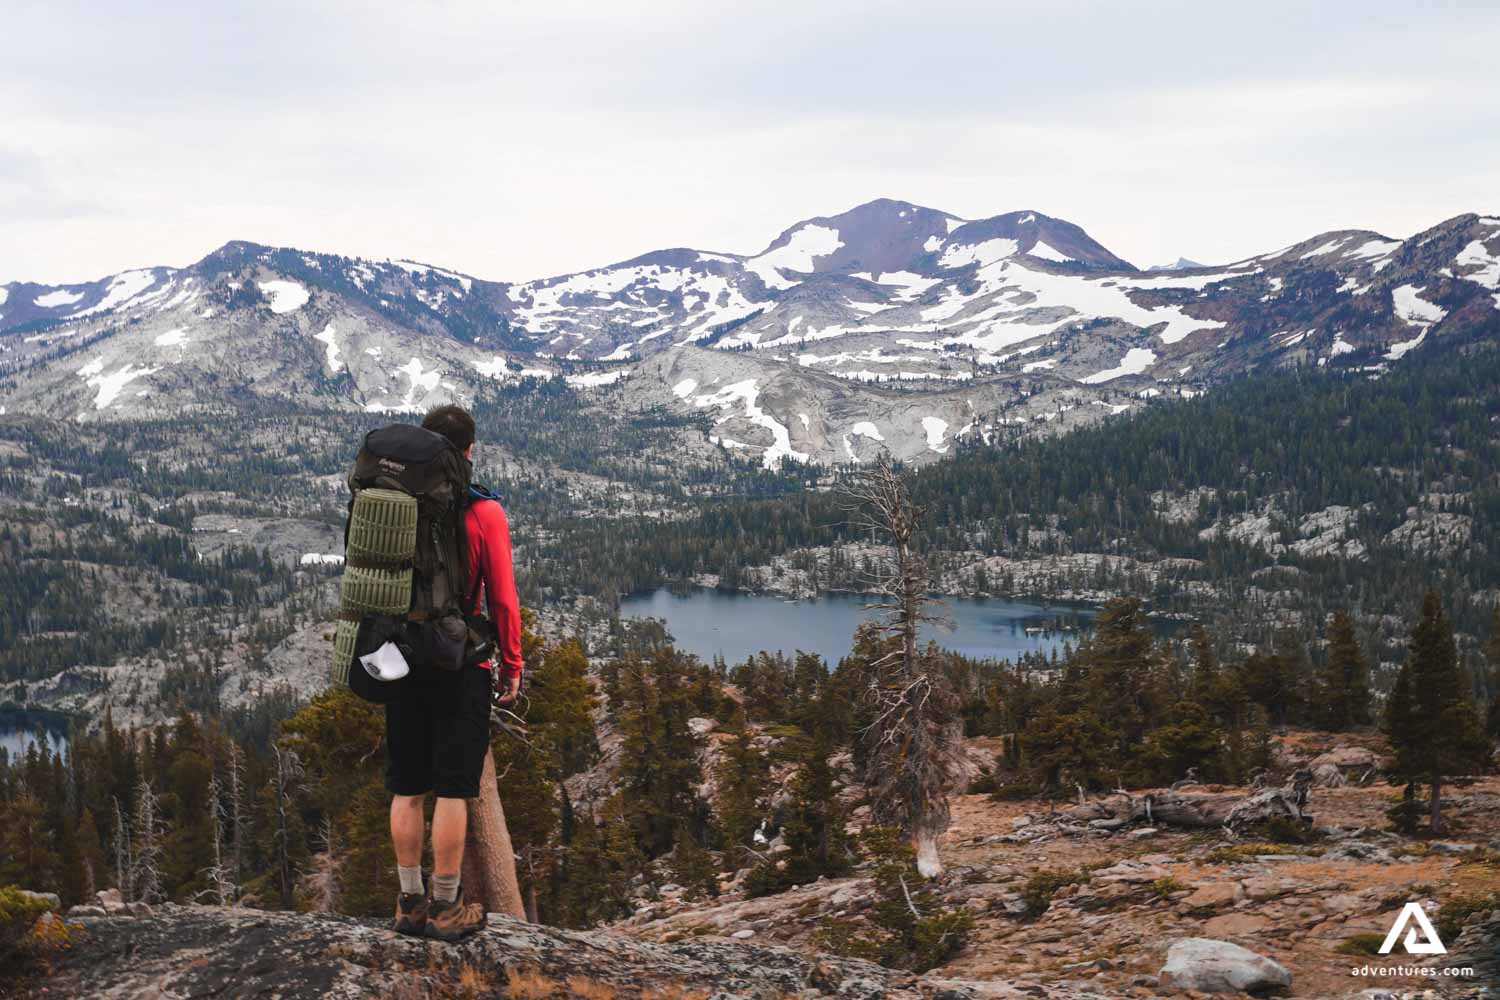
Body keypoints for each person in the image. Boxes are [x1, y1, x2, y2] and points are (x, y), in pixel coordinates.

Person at [386, 404, 524, 941]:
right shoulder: (482, 511)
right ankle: (446, 908)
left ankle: (407, 903)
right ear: (469, 450)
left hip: (399, 656)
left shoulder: (395, 501)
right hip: (460, 660)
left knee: (407, 787)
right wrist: (511, 663)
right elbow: (505, 601)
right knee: (451, 789)